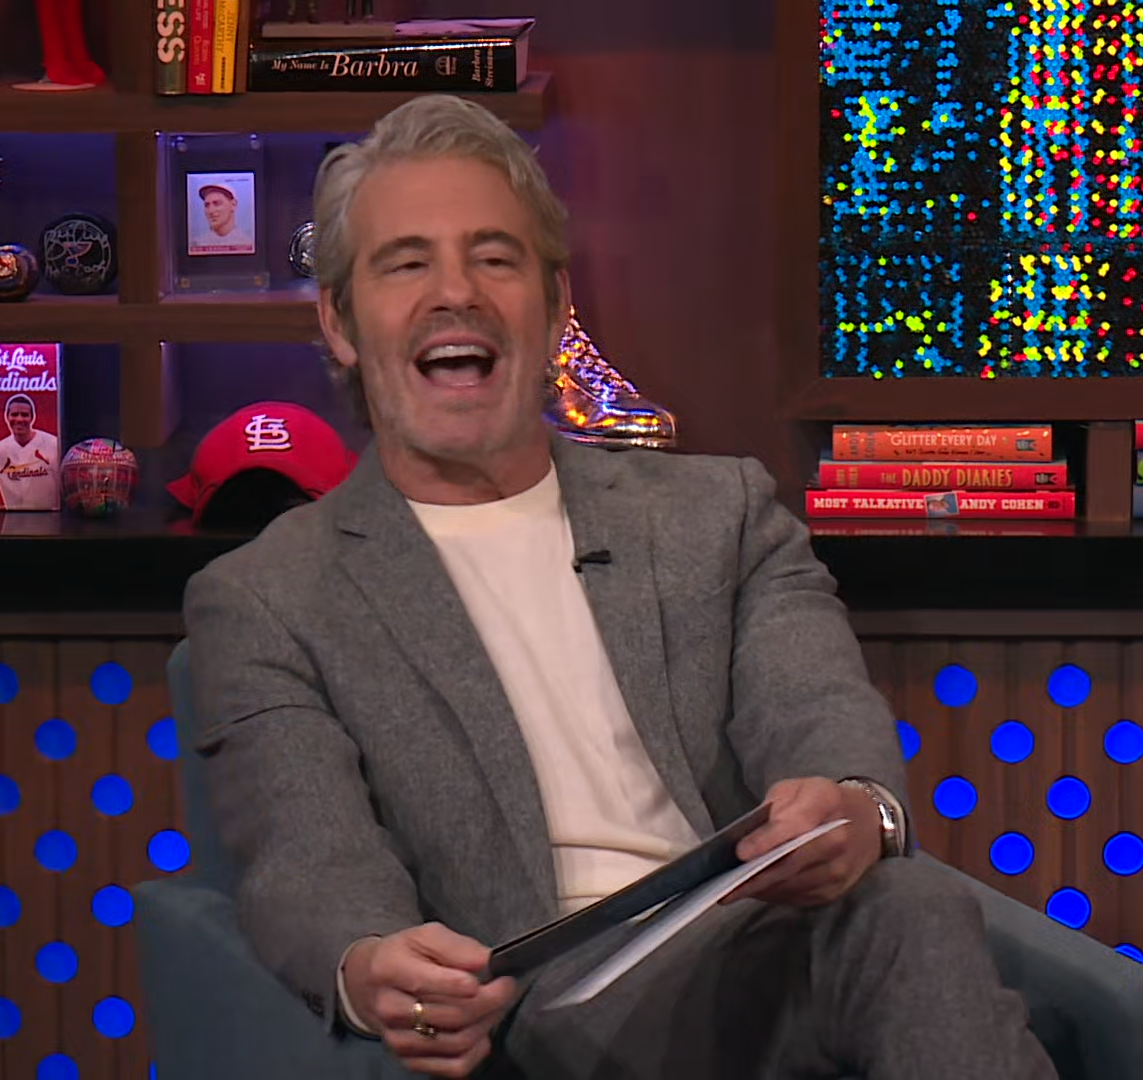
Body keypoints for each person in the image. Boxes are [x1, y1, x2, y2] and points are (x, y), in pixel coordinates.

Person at [182, 94, 1056, 1079]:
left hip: (755, 948)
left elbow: (814, 705)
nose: (456, 293)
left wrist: (858, 807)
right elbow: (306, 852)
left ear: (555, 306)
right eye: (407, 264)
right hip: (540, 1013)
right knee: (909, 916)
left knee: (900, 900)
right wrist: (370, 963)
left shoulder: (719, 514)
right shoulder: (270, 597)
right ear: (340, 322)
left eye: (495, 258)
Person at [0, 393, 59, 510]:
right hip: (13, 517)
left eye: (24, 415)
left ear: (32, 417)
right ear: (7, 417)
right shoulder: (0, 449)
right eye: (14, 414)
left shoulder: (53, 444)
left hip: (50, 515)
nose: (19, 419)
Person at [193, 182, 253, 253]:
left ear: (233, 205)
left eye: (217, 204)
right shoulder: (196, 244)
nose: (210, 211)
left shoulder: (248, 243)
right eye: (207, 205)